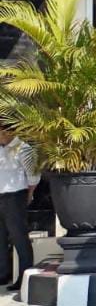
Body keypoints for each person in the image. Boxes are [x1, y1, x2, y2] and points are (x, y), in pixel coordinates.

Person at [0, 126, 37, 295]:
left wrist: (29, 194)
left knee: (19, 236)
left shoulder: (23, 148)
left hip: (15, 195)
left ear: (6, 132)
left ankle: (25, 274)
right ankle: (3, 273)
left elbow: (33, 176)